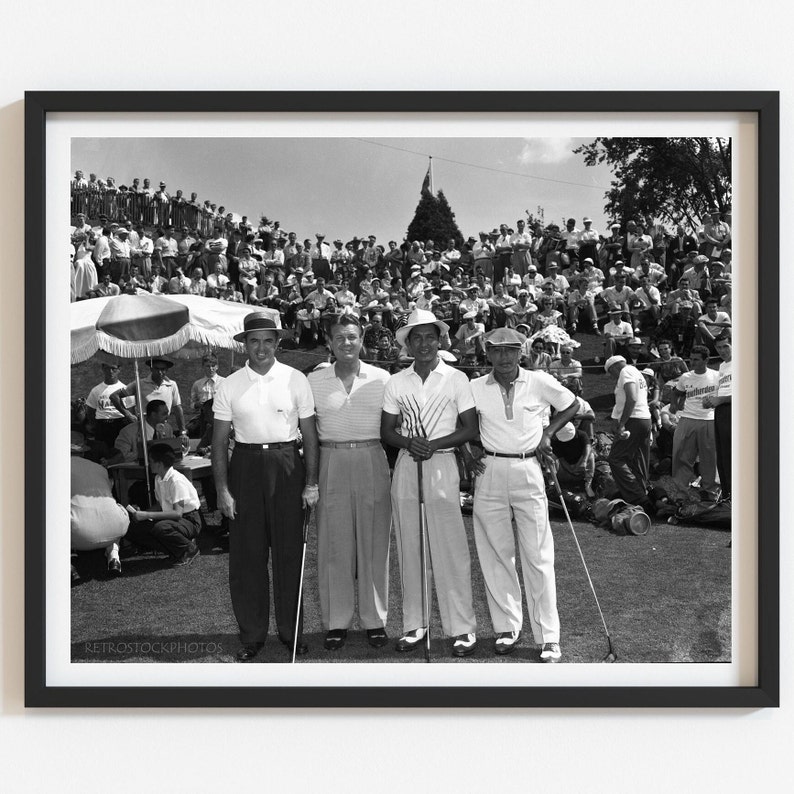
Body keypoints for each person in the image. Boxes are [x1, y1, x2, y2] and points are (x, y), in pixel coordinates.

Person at [212, 312, 320, 662]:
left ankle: (291, 634)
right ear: (245, 343)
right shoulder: (229, 384)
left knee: (289, 556)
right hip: (244, 467)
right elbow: (218, 444)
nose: (261, 348)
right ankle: (253, 635)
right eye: (254, 341)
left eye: (268, 340)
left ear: (278, 343)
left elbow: (311, 436)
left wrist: (312, 483)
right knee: (247, 558)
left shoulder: (296, 379)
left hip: (287, 465)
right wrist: (223, 490)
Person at [468, 327, 578, 660]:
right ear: (487, 354)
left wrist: (548, 434)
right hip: (489, 470)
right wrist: (464, 451)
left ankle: (549, 637)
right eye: (497, 351)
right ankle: (507, 627)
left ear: (521, 353)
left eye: (511, 350)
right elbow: (457, 422)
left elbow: (571, 405)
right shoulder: (473, 387)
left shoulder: (539, 380)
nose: (504, 357)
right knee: (496, 553)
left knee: (538, 555)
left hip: (529, 468)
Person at [381, 308, 479, 657]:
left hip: (442, 464)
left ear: (440, 340)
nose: (423, 344)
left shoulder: (456, 379)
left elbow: (469, 428)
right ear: (408, 343)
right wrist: (409, 443)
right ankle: (415, 624)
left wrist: (433, 444)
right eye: (416, 338)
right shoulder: (396, 381)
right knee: (410, 546)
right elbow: (387, 431)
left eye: (429, 337)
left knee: (450, 548)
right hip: (408, 466)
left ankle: (462, 628)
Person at [307, 316, 391, 651]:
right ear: (329, 341)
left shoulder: (383, 378)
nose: (346, 343)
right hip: (332, 459)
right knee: (334, 545)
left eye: (352, 337)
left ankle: (374, 620)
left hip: (372, 457)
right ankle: (337, 621)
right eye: (339, 337)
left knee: (374, 543)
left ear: (362, 340)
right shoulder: (314, 380)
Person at [125, 443, 202, 567]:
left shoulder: (176, 480)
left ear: (159, 464)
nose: (149, 464)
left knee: (161, 527)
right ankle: (176, 552)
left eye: (151, 461)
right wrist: (141, 513)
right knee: (134, 528)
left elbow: (177, 513)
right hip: (175, 519)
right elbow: (161, 504)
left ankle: (189, 549)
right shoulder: (158, 479)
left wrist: (146, 514)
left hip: (190, 519)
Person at [71, 434, 129, 577]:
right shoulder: (99, 468)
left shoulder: (54, 469)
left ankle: (68, 565)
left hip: (80, 534)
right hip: (116, 528)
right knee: (111, 509)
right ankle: (114, 556)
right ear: (83, 451)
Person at [669, 345, 720, 501]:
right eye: (691, 359)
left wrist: (715, 402)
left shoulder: (717, 376)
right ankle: (681, 494)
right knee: (681, 457)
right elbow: (676, 393)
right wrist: (673, 405)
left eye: (696, 359)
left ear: (706, 360)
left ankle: (710, 493)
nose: (692, 362)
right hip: (687, 419)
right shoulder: (686, 377)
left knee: (709, 459)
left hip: (709, 420)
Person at [605, 355, 654, 512]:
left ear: (613, 367)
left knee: (616, 458)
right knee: (638, 459)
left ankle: (637, 496)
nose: (612, 377)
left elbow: (631, 398)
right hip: (645, 419)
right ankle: (643, 493)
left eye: (610, 373)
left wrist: (622, 423)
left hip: (634, 419)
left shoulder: (625, 372)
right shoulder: (636, 372)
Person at [112, 357, 185, 433]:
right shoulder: (140, 384)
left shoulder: (172, 385)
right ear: (151, 369)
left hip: (164, 425)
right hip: (144, 426)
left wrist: (183, 431)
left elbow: (177, 408)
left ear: (167, 370)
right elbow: (114, 396)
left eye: (163, 369)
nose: (160, 372)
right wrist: (128, 414)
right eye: (157, 369)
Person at [702, 337, 732, 501]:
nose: (722, 351)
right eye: (719, 348)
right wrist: (712, 400)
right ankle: (727, 495)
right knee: (722, 455)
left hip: (736, 411)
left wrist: (720, 400)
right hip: (721, 411)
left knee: (735, 454)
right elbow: (724, 390)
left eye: (726, 346)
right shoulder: (722, 366)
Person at [105, 399, 174, 465]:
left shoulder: (167, 428)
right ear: (153, 415)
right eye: (164, 414)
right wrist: (143, 453)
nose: (167, 416)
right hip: (138, 473)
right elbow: (120, 457)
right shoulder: (128, 432)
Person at [84, 357, 128, 450]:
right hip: (102, 425)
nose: (110, 371)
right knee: (102, 452)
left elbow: (131, 409)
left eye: (113, 369)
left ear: (119, 370)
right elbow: (90, 410)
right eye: (107, 368)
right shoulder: (96, 390)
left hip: (120, 424)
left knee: (119, 451)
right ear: (103, 369)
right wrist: (95, 425)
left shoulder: (125, 389)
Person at [551, 421, 596, 498]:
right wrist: (571, 470)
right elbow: (561, 460)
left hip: (581, 469)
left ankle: (588, 485)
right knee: (552, 457)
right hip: (565, 471)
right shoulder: (555, 441)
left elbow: (587, 446)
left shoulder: (582, 434)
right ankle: (552, 483)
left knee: (590, 455)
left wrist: (583, 462)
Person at [188, 353, 225, 436]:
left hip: (219, 416)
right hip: (203, 418)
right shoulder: (197, 384)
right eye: (208, 366)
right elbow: (192, 404)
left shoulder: (224, 382)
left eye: (213, 366)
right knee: (203, 438)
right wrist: (197, 405)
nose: (211, 369)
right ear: (203, 367)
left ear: (217, 366)